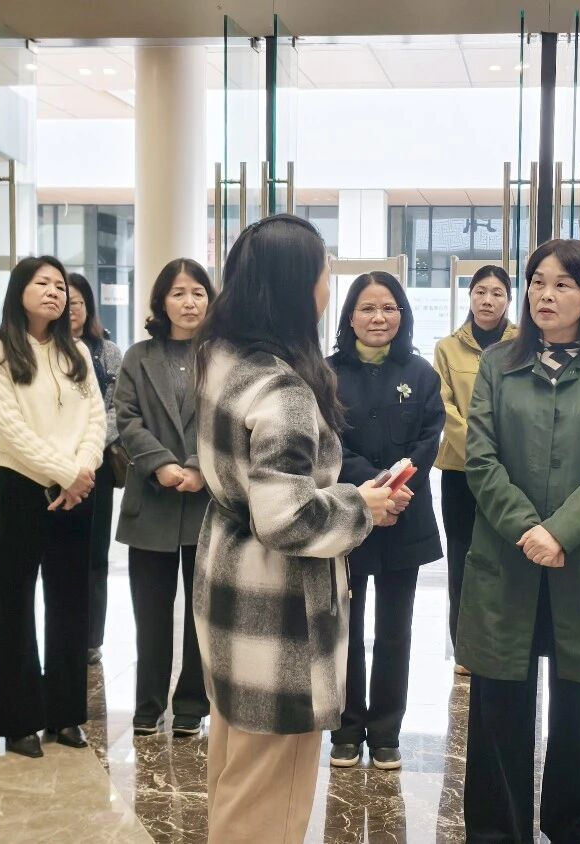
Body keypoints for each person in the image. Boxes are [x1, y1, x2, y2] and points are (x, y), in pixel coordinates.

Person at [194, 214, 402, 843]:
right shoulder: (281, 387)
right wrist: (363, 506)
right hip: (277, 615)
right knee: (270, 804)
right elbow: (287, 519)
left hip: (228, 587)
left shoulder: (221, 355)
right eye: (323, 274)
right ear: (293, 287)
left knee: (236, 777)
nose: (327, 288)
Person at [457, 238, 580, 843]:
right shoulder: (497, 364)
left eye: (563, 283)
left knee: (574, 711)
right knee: (497, 707)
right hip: (505, 557)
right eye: (537, 281)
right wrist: (526, 529)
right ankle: (496, 832)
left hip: (578, 558)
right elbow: (480, 458)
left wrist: (558, 532)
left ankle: (572, 828)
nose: (546, 294)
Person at [0, 255, 106, 759]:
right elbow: (9, 429)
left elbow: (96, 418)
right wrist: (65, 472)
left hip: (77, 490)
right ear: (19, 291)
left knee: (70, 603)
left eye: (60, 286)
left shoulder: (77, 352)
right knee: (15, 604)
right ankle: (18, 720)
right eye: (43, 283)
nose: (55, 292)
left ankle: (65, 715)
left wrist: (82, 470)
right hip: (20, 488)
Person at [327, 271, 444, 771]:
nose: (379, 317)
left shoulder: (420, 373)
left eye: (389, 308)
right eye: (368, 308)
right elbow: (328, 442)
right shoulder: (326, 374)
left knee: (396, 630)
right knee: (346, 628)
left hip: (404, 515)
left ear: (402, 314)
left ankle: (386, 731)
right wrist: (372, 486)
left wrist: (393, 491)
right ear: (350, 316)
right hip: (347, 514)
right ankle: (346, 729)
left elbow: (429, 438)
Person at [114, 258, 215, 737]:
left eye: (198, 292)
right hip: (152, 498)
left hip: (206, 501)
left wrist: (197, 466)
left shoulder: (222, 356)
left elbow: (228, 419)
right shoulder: (138, 356)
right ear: (161, 301)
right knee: (150, 612)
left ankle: (192, 703)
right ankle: (148, 703)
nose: (189, 302)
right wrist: (161, 464)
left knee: (201, 613)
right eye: (178, 293)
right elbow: (126, 418)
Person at [432, 264, 516, 676]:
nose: (487, 300)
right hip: (460, 469)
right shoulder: (447, 348)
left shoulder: (524, 344)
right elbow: (443, 405)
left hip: (510, 471)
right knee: (462, 558)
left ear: (509, 300)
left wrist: (503, 453)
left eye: (497, 293)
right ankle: (464, 645)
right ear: (469, 296)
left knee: (506, 557)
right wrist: (480, 450)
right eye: (480, 291)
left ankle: (502, 641)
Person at [66, 273, 123, 666]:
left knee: (94, 554)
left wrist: (90, 447)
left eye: (79, 302)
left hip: (96, 466)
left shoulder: (108, 351)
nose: (72, 309)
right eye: (66, 301)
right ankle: (63, 632)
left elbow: (117, 406)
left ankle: (90, 638)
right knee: (60, 554)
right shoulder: (42, 351)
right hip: (52, 467)